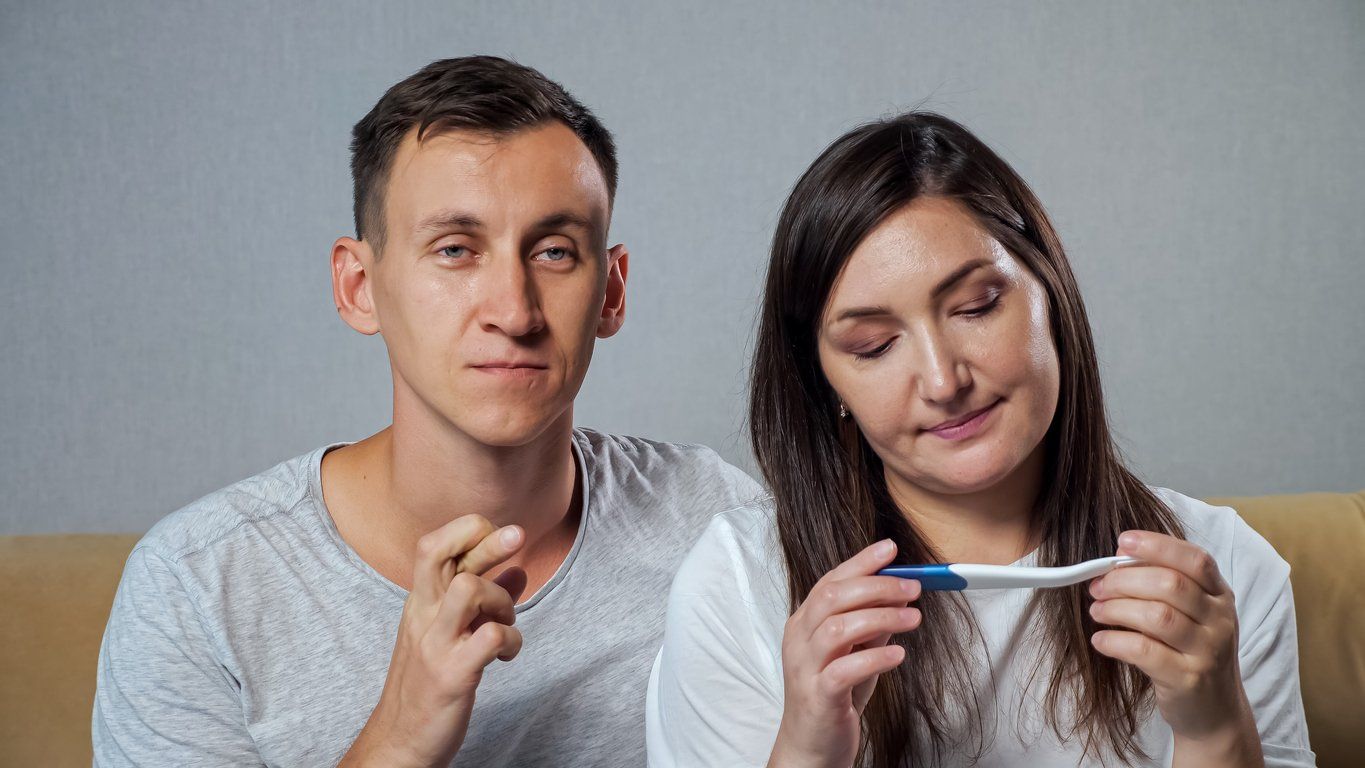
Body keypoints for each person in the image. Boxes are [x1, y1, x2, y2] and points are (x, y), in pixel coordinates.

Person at [93, 55, 761, 767]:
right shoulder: (196, 588)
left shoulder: (716, 523)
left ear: (613, 291)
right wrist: (402, 734)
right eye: (454, 250)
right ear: (359, 288)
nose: (512, 310)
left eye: (555, 252)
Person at [646, 112, 1314, 767]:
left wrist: (1214, 729)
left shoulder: (1222, 568)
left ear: (1049, 292)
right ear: (825, 387)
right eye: (873, 346)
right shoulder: (740, 584)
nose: (941, 380)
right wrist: (807, 750)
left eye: (975, 307)